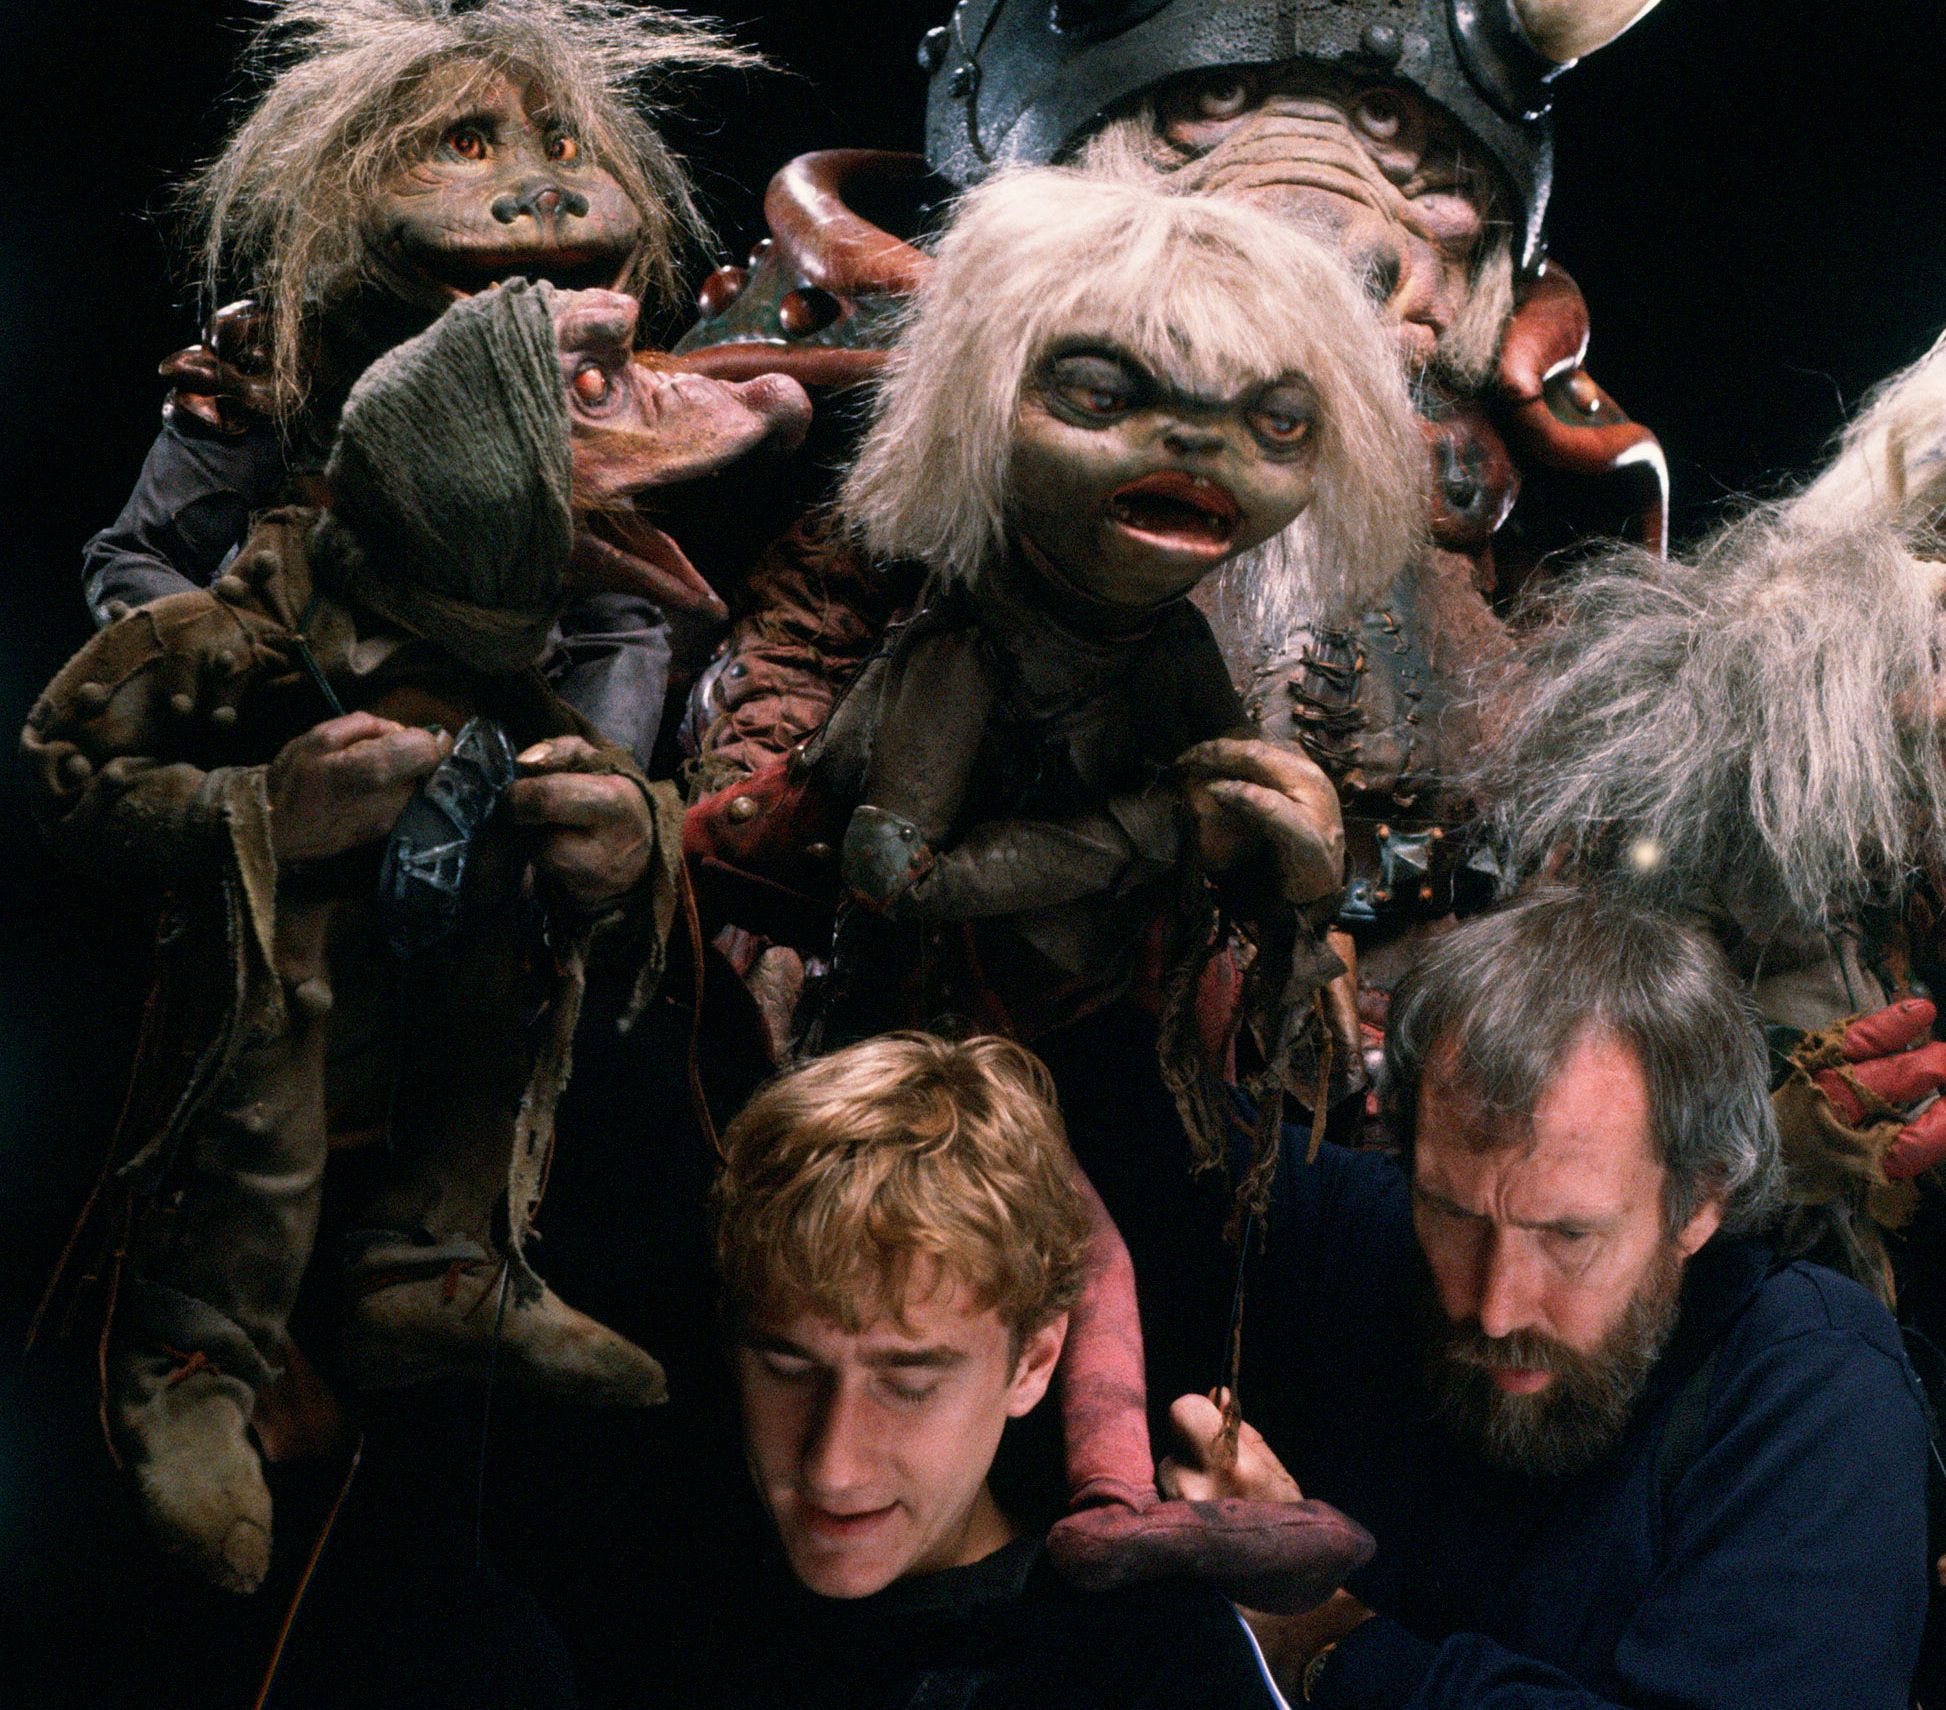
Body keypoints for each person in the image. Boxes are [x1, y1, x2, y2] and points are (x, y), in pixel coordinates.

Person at [1162, 887, 1931, 1708]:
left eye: (1568, 1236)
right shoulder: (1363, 1229)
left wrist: (1320, 1636)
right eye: (1454, 1214)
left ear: (1701, 1203)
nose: (1496, 1308)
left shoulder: (1815, 1392)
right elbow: (1128, 1133)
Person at [703, 1031, 1290, 1708]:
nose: (832, 1469)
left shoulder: (1147, 1665)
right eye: (788, 1368)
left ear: (1032, 1362)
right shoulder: (659, 1581)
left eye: (910, 1383)